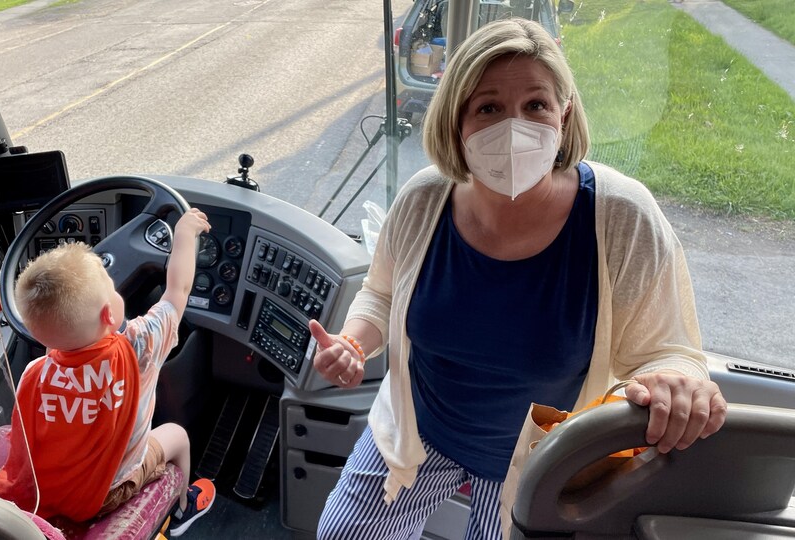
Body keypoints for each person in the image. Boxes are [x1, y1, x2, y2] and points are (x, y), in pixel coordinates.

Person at [311, 18, 727, 540]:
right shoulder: (423, 201)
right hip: (418, 427)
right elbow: (382, 293)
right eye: (488, 108)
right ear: (456, 121)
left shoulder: (622, 217)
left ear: (564, 114)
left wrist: (674, 382)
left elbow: (668, 351)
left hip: (543, 456)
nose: (514, 127)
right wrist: (353, 343)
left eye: (536, 105)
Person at [0, 209, 215, 537]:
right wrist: (184, 234)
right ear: (109, 314)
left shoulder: (35, 372)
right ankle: (181, 508)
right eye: (112, 286)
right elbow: (178, 291)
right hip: (104, 494)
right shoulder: (139, 346)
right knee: (177, 434)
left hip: (46, 489)